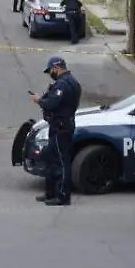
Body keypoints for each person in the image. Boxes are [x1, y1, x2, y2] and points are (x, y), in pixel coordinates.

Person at [31, 56, 82, 206]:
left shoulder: (63, 84)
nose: (50, 74)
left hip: (61, 126)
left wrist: (40, 100)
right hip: (60, 125)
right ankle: (51, 192)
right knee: (49, 158)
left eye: (50, 71)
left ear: (57, 68)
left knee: (61, 161)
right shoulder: (71, 81)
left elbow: (52, 104)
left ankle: (62, 196)